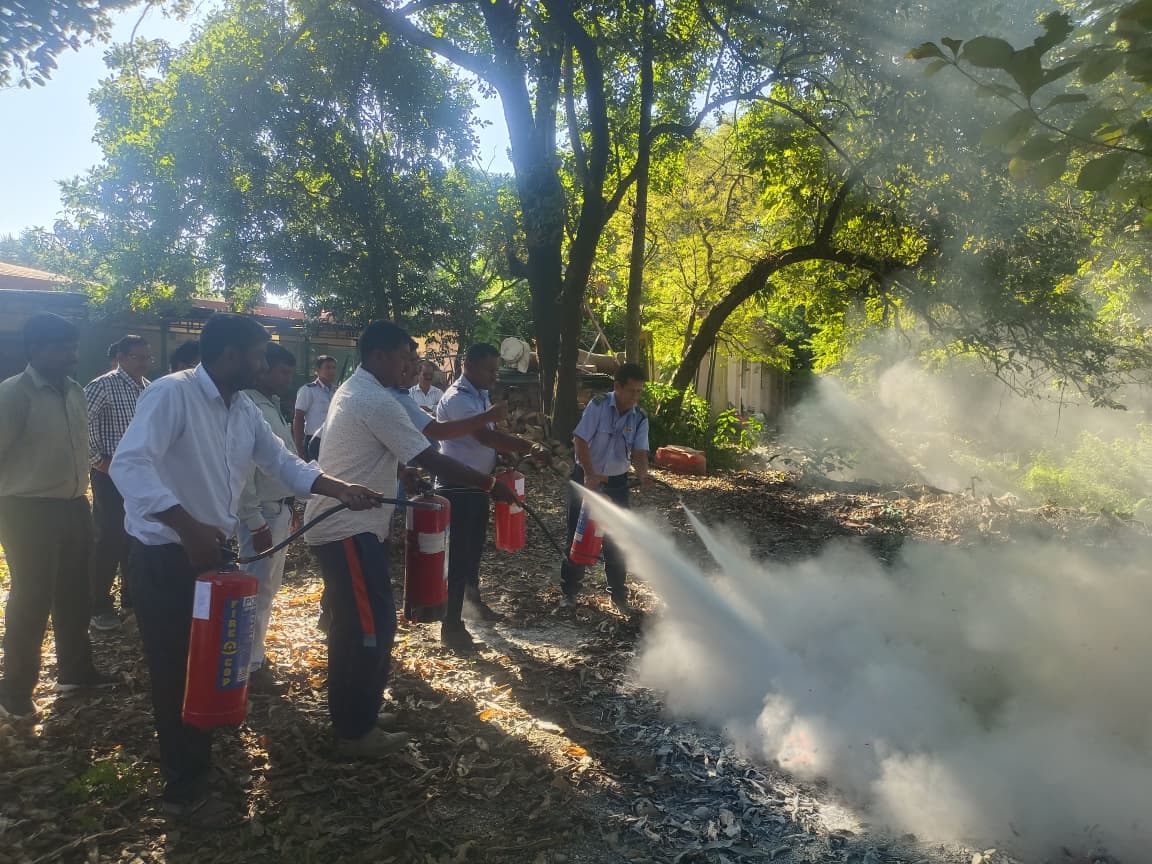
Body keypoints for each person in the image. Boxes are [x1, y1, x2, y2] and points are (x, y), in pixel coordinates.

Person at [110, 313, 382, 826]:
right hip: (167, 558)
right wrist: (187, 526)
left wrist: (336, 488)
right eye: (259, 355)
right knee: (177, 677)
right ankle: (183, 796)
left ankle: (202, 765)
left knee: (211, 665)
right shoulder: (173, 395)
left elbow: (282, 463)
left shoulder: (244, 411)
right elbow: (130, 464)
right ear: (232, 354)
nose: (266, 364)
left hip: (208, 555)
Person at [304, 322, 519, 754]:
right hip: (346, 527)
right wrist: (488, 484)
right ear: (380, 356)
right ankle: (354, 731)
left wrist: (401, 472)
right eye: (405, 357)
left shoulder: (365, 392)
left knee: (358, 626)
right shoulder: (371, 399)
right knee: (370, 626)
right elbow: (431, 457)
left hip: (355, 524)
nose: (411, 365)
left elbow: (389, 447)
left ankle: (357, 712)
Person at [0, 314, 117, 719]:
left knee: (75, 595)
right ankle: (15, 689)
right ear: (34, 350)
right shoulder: (14, 394)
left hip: (74, 505)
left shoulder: (75, 392)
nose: (71, 355)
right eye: (61, 348)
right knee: (31, 599)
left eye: (72, 347)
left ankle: (75, 672)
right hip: (27, 510)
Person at [436, 343, 548, 652]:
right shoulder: (459, 399)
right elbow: (484, 436)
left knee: (472, 553)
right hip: (457, 486)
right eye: (490, 370)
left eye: (496, 370)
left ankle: (473, 605)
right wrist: (529, 447)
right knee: (458, 557)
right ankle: (452, 625)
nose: (494, 376)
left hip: (479, 485)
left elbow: (488, 439)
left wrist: (500, 458)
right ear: (469, 366)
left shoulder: (479, 395)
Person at [559, 363, 651, 616]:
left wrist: (643, 473)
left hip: (617, 483)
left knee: (616, 540)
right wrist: (589, 474)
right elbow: (580, 440)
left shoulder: (640, 417)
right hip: (586, 478)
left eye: (639, 392)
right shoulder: (598, 406)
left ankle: (618, 596)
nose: (635, 397)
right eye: (631, 391)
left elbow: (640, 451)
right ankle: (569, 593)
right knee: (577, 535)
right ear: (617, 387)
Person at [236, 343, 299, 692]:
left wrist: (293, 505)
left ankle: (254, 656)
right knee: (255, 589)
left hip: (278, 507)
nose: (287, 380)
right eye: (282, 372)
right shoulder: (247, 406)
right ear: (262, 368)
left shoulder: (271, 406)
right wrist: (254, 519)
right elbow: (242, 471)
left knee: (267, 589)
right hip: (260, 511)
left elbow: (286, 461)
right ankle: (248, 665)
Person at [85, 334, 152, 631]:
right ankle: (98, 606)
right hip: (109, 472)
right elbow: (80, 423)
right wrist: (99, 460)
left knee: (137, 536)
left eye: (147, 357)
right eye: (137, 357)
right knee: (109, 539)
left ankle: (133, 602)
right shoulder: (103, 385)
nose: (143, 363)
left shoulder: (150, 389)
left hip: (142, 473)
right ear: (122, 358)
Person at [293, 354, 336, 459]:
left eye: (334, 368)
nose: (331, 371)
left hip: (333, 440)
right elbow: (298, 419)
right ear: (318, 370)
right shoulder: (308, 390)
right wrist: (299, 448)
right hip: (314, 441)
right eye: (327, 367)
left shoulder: (337, 391)